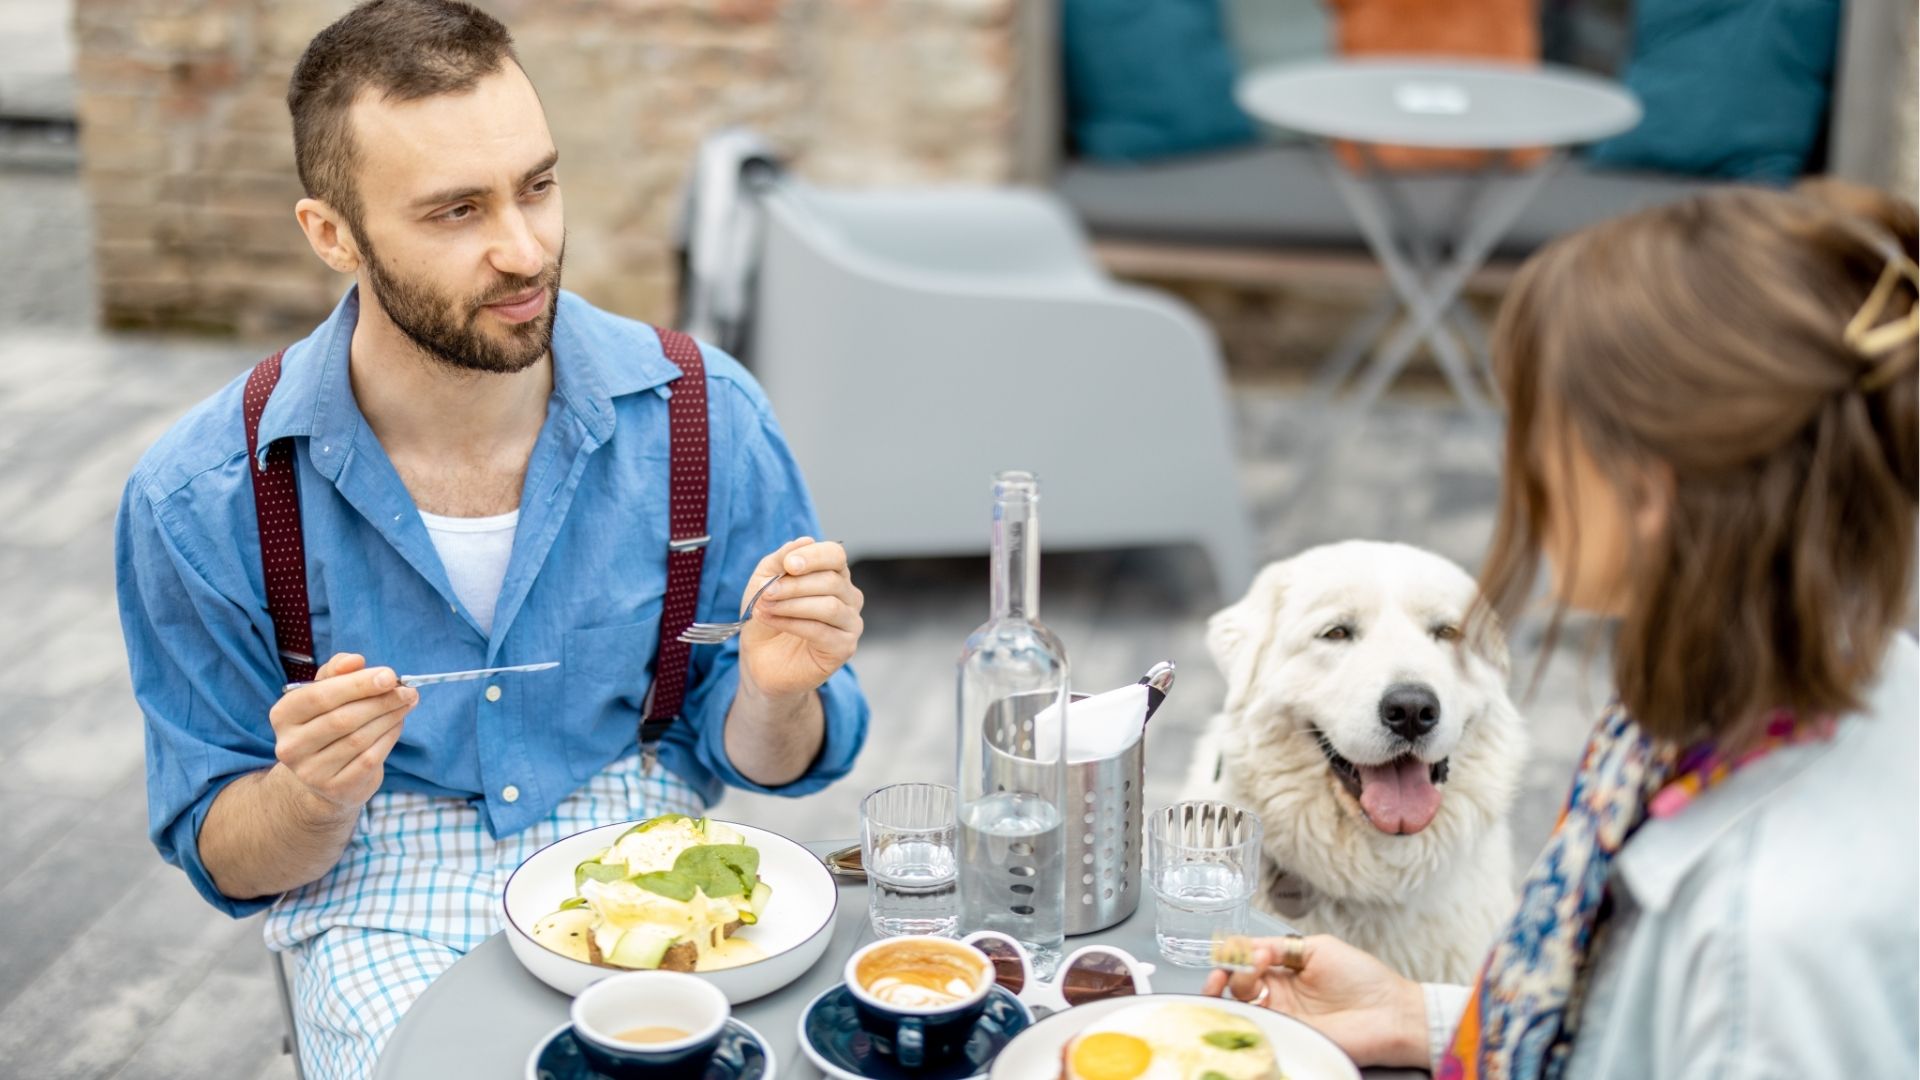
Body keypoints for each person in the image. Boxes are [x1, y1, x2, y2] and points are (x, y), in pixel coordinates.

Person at [112, 3, 869, 1076]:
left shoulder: (706, 417)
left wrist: (777, 691)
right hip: (378, 884)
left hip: (643, 850)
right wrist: (311, 793)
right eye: (457, 210)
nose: (524, 250)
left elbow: (759, 759)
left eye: (538, 186)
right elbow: (229, 855)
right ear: (333, 234)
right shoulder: (203, 498)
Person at [1207, 180, 1918, 1079]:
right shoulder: (1817, 683)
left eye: (1542, 430)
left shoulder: (1770, 944)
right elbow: (1627, 1027)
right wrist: (1414, 1014)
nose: (1522, 468)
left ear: (1649, 485)